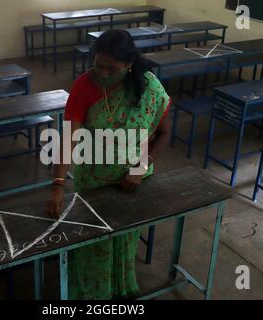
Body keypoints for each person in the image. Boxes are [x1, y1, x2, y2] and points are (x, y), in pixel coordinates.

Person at [45, 29, 172, 300]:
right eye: (97, 65)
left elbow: (163, 134)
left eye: (111, 68)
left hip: (131, 184)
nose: (102, 73)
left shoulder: (148, 86)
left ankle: (119, 292)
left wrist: (140, 168)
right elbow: (69, 138)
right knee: (93, 246)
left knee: (124, 243)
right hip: (93, 182)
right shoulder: (84, 86)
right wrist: (58, 184)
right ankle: (92, 296)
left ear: (128, 64)